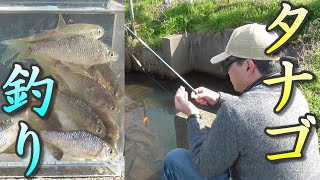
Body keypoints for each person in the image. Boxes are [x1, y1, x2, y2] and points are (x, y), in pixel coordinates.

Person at [162, 23, 320, 180]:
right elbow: (257, 110)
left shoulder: (234, 113)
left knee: (174, 160)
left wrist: (192, 115)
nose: (227, 71)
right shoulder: (295, 94)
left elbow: (204, 166)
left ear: (248, 66)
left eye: (226, 64)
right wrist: (219, 98)